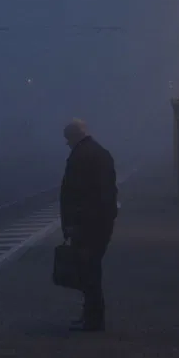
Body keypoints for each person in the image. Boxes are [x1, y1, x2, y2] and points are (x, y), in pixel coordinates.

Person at [59, 118, 118, 332]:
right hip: (100, 223)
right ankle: (91, 315)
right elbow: (107, 192)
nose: (66, 143)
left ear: (74, 136)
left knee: (88, 271)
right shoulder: (101, 153)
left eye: (67, 139)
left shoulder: (81, 156)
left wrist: (73, 223)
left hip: (86, 224)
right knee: (91, 269)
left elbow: (75, 194)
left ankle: (94, 318)